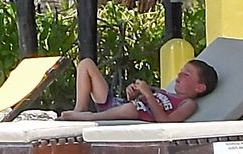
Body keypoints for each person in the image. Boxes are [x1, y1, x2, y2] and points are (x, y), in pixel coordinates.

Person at [72, 52, 216, 122]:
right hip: (119, 106)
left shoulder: (188, 104)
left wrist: (148, 95)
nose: (179, 75)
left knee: (131, 108)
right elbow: (139, 100)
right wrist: (136, 94)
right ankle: (80, 109)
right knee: (86, 64)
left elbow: (165, 121)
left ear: (199, 88)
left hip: (129, 113)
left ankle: (90, 118)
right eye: (181, 71)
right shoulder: (163, 92)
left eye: (186, 75)